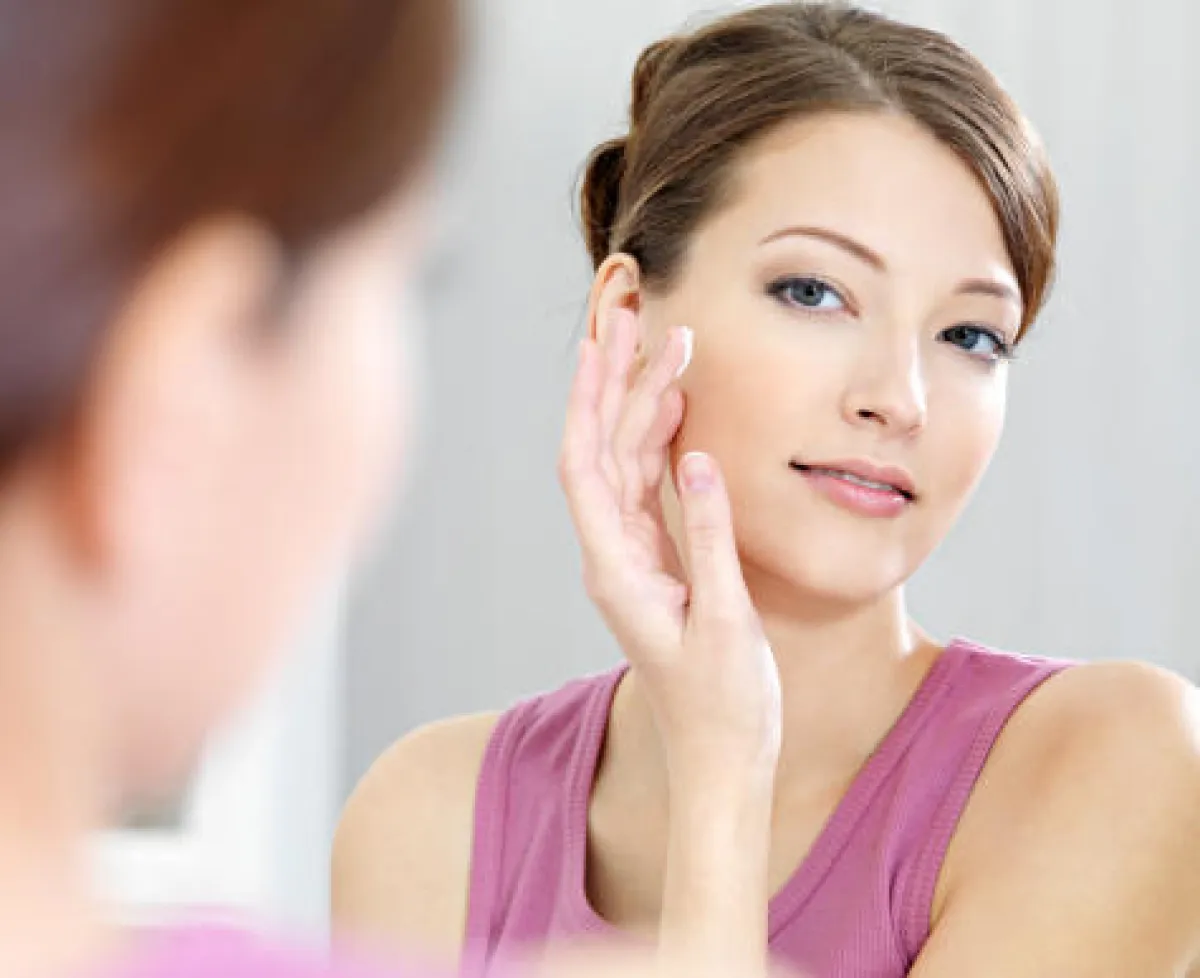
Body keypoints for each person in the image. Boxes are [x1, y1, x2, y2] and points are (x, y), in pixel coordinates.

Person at [332, 3, 1200, 977]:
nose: (899, 399)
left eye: (970, 336)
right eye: (814, 292)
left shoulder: (1114, 760)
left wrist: (721, 778)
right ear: (628, 316)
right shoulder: (431, 819)